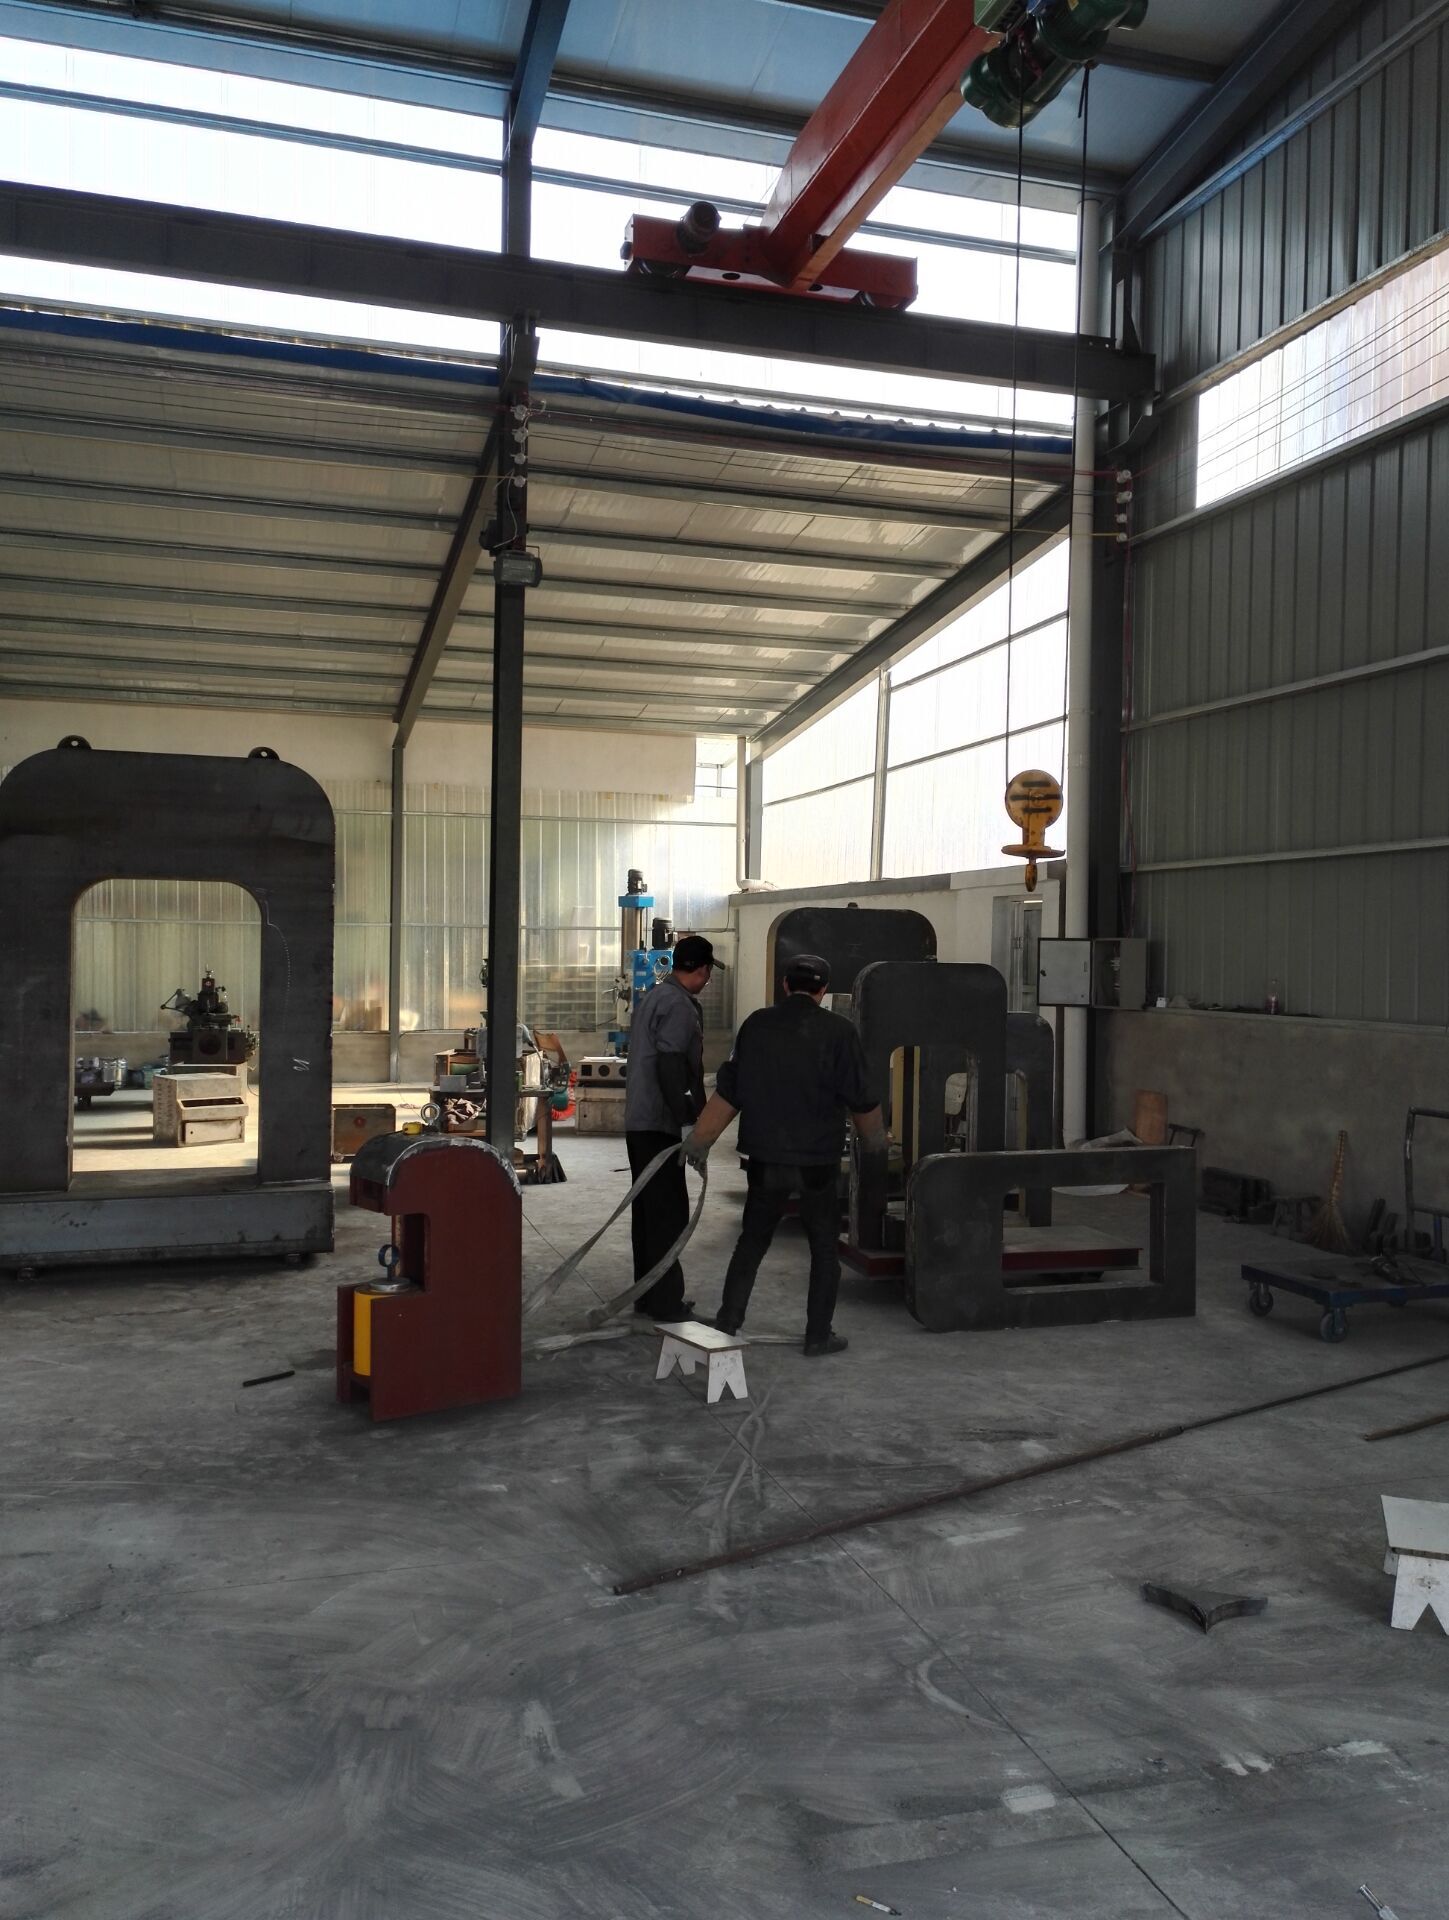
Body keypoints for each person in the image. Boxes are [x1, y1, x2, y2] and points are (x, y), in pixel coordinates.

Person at [685, 953, 885, 1356]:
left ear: (785, 985)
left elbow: (729, 1091)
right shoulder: (839, 1031)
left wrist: (700, 1142)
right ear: (823, 990)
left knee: (752, 1242)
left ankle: (728, 1322)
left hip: (766, 1159)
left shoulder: (756, 1025)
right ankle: (818, 1335)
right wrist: (877, 1147)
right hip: (817, 1162)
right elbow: (862, 1099)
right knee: (823, 1249)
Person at [623, 933, 721, 1321]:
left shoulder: (655, 996)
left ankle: (647, 1296)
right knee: (668, 1214)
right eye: (709, 972)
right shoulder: (679, 1005)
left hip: (640, 1120)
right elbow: (670, 1065)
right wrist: (685, 1120)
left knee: (648, 1213)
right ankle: (665, 1303)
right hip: (659, 1124)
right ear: (703, 970)